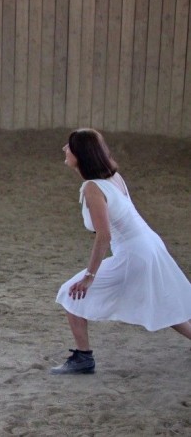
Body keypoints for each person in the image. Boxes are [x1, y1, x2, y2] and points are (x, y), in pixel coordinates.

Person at [51, 128, 191, 375]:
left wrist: (89, 277)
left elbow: (104, 235)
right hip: (150, 245)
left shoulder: (92, 188)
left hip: (134, 253)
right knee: (161, 300)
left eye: (69, 146)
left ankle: (83, 358)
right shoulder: (113, 177)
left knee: (69, 294)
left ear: (81, 155)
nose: (64, 149)